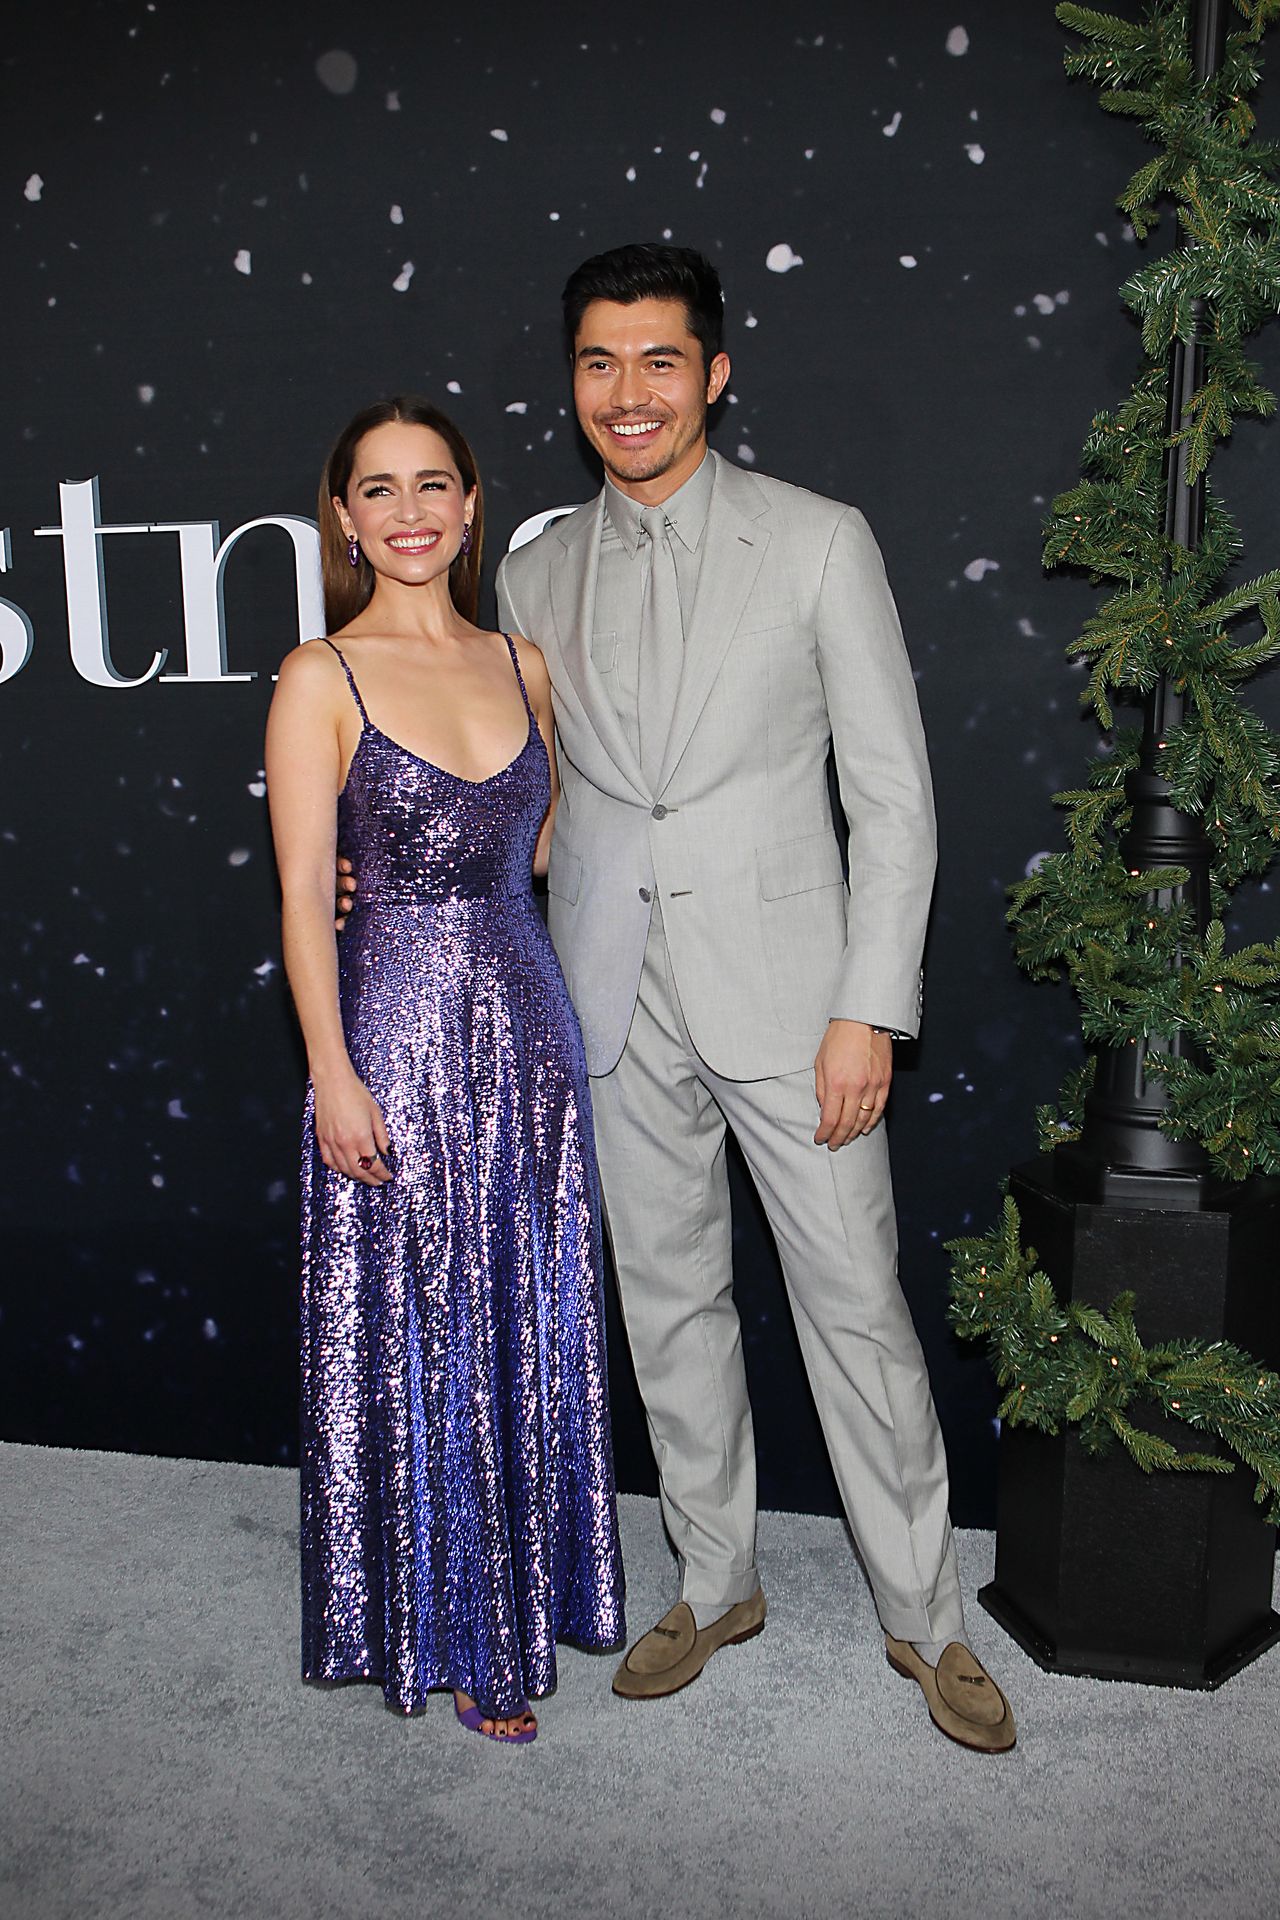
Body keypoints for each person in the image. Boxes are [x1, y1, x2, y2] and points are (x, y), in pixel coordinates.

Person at [492, 244, 1016, 1753]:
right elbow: (549, 802)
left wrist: (870, 1007)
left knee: (855, 1307)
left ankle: (927, 1616)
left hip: (798, 1007)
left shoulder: (818, 541)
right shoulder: (532, 573)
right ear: (572, 382)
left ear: (713, 375)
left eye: (659, 360)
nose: (629, 392)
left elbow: (893, 798)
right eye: (600, 362)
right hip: (610, 994)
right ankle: (714, 1581)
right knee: (666, 1304)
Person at [266, 396, 624, 1746]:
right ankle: (456, 1630)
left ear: (472, 508)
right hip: (396, 1035)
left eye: (433, 485)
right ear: (345, 520)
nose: (408, 511)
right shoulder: (320, 676)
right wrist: (333, 1072)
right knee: (428, 1323)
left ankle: (525, 1595)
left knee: (525, 1314)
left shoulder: (525, 665)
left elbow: (542, 850)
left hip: (528, 1031)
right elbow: (304, 899)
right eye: (379, 489)